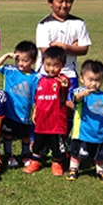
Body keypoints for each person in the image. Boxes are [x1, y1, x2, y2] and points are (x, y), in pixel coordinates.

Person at [35, 0, 91, 104]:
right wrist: (72, 47)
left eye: (68, 1)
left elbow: (84, 49)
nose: (64, 5)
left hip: (70, 72)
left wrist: (65, 47)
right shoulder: (44, 25)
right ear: (50, 2)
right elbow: (46, 51)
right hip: (47, 73)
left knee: (69, 105)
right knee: (47, 105)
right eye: (60, 1)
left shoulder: (79, 23)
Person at [0, 41, 41, 167]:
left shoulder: (36, 77)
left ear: (33, 61)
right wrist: (6, 56)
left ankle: (25, 156)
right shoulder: (10, 70)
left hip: (24, 114)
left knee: (25, 137)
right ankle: (9, 155)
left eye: (25, 60)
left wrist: (35, 111)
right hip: (9, 112)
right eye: (18, 60)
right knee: (8, 135)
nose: (20, 63)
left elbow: (37, 97)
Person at [24, 46, 69, 176]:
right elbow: (37, 99)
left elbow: (65, 90)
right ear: (43, 63)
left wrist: (65, 85)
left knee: (57, 146)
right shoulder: (41, 80)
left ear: (63, 65)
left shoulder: (61, 80)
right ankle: (35, 162)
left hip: (56, 122)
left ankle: (57, 163)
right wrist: (35, 111)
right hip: (42, 121)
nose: (51, 68)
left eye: (55, 65)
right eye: (48, 65)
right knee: (38, 143)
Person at [67, 60, 103, 184]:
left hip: (98, 133)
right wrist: (83, 94)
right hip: (82, 133)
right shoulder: (79, 92)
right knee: (76, 153)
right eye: (90, 80)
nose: (94, 84)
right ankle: (73, 169)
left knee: (100, 155)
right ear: (82, 78)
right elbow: (75, 99)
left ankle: (101, 171)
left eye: (97, 80)